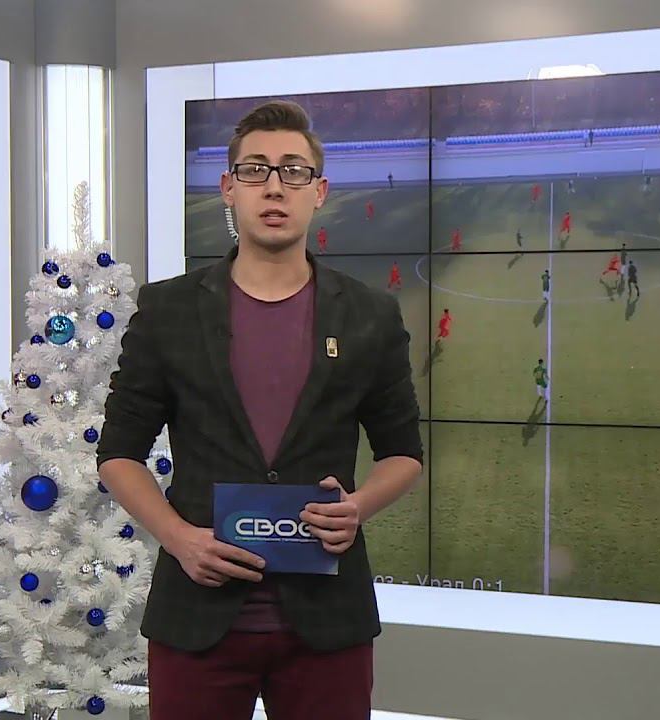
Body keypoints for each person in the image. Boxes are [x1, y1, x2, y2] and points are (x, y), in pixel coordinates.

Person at [97, 100, 424, 720]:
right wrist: (179, 539)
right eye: (255, 170)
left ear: (318, 191)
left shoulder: (370, 315)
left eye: (294, 171)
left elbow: (403, 454)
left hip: (327, 625)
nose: (275, 187)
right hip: (196, 621)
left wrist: (357, 507)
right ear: (229, 188)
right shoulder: (167, 311)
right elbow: (118, 454)